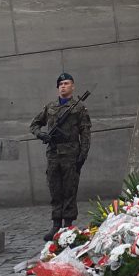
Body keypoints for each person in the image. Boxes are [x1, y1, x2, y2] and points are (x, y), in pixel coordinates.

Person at [30, 73, 91, 241]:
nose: (63, 86)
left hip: (71, 154)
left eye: (67, 83)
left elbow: (85, 133)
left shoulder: (79, 108)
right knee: (55, 188)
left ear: (73, 86)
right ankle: (56, 224)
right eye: (61, 84)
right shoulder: (50, 107)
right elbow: (34, 125)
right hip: (53, 153)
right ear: (58, 88)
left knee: (70, 189)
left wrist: (83, 155)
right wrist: (42, 135)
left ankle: (68, 224)